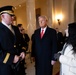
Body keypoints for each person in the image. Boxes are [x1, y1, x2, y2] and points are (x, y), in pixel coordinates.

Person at [0, 5, 25, 75]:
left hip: (19, 65)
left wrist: (22, 51)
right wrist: (11, 58)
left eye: (13, 15)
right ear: (2, 16)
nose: (13, 17)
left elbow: (22, 43)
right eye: (10, 15)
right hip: (6, 67)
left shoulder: (16, 28)